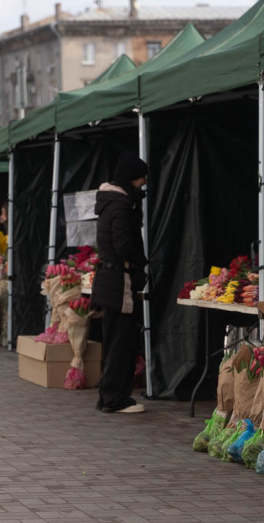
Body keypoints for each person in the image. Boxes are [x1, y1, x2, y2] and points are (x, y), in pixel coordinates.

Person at [91, 151, 149, 414]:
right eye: (141, 178)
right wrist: (141, 261)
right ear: (131, 178)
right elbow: (124, 244)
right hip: (119, 281)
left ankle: (109, 396)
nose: (144, 183)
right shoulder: (122, 205)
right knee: (121, 341)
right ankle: (116, 399)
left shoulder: (110, 202)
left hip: (110, 278)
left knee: (115, 339)